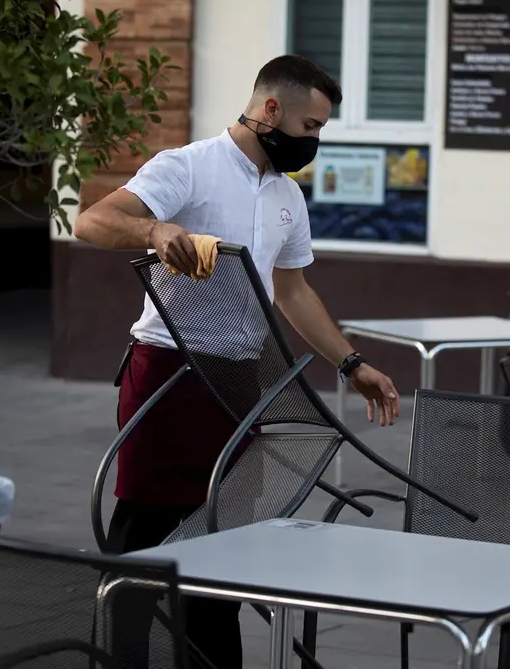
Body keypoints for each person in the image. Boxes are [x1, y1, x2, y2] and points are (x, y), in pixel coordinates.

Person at [73, 54, 401, 668]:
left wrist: (353, 365)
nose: (315, 141)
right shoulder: (188, 167)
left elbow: (295, 293)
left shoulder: (286, 196)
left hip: (239, 380)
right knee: (143, 537)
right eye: (311, 127)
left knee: (225, 541)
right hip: (167, 371)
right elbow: (92, 220)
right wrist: (155, 232)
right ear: (270, 110)